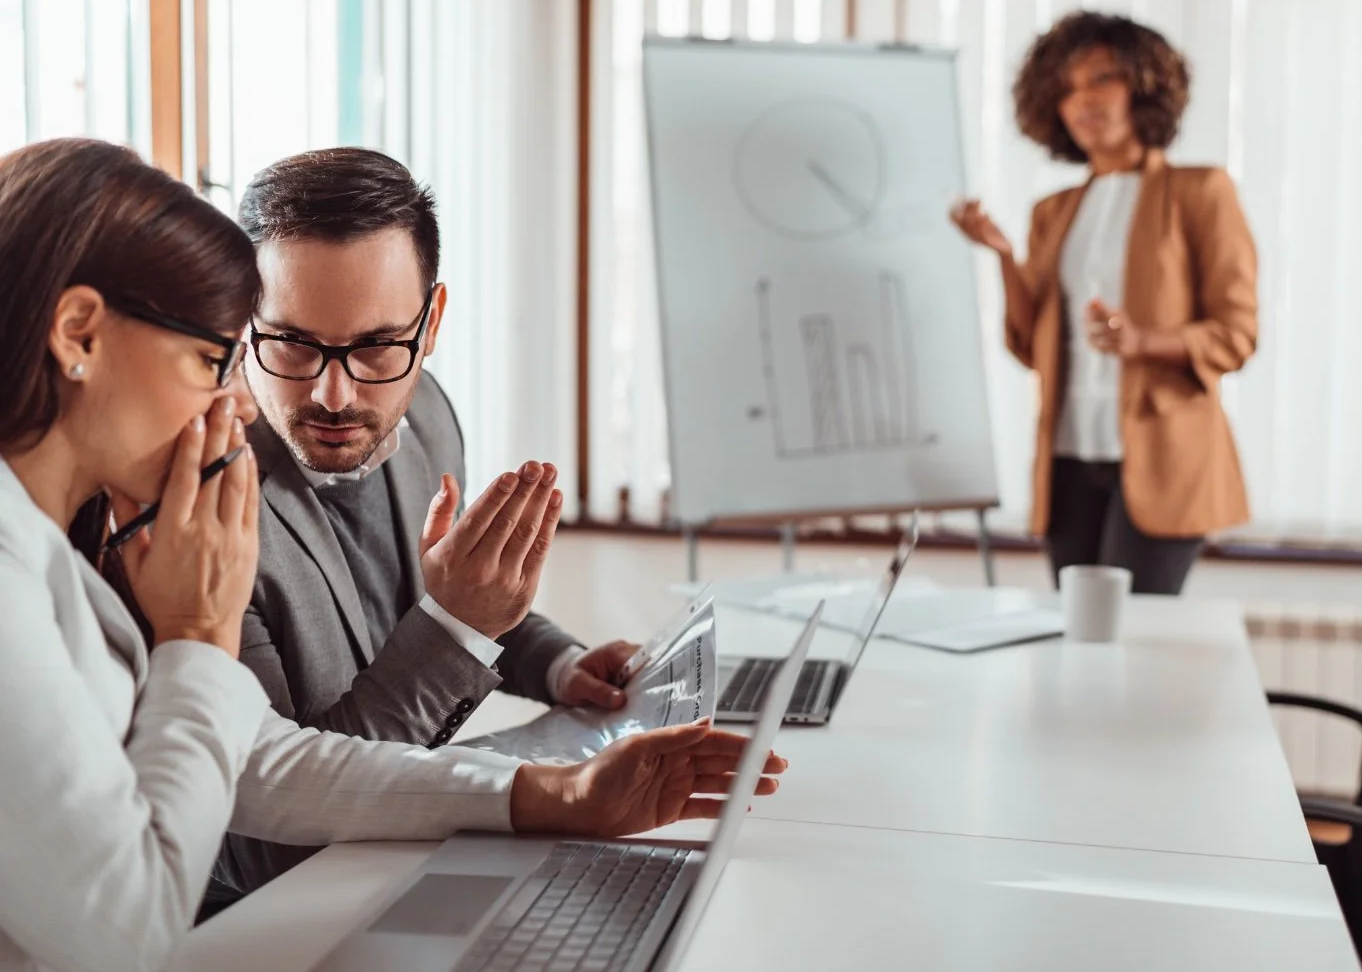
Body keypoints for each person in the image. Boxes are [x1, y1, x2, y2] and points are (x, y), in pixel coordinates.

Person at [0, 138, 783, 972]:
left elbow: (259, 755)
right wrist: (196, 630)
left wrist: (564, 795)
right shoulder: (154, 517)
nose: (232, 402)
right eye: (209, 357)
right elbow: (134, 925)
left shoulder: (41, 545)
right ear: (78, 333)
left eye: (375, 347)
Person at [208, 147, 639, 902]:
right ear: (243, 322)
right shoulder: (198, 499)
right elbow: (267, 841)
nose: (335, 394)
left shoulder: (428, 411)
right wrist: (457, 623)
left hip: (395, 859)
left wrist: (559, 665)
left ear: (430, 321)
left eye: (376, 345)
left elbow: (436, 600)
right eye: (294, 345)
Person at [950, 11, 1258, 595]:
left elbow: (1236, 334)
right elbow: (1029, 346)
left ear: (1144, 86)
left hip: (1164, 459)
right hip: (1068, 456)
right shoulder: (1053, 212)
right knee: (1079, 637)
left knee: (1134, 638)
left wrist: (1141, 341)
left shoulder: (1201, 192)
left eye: (1101, 80)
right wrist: (1004, 257)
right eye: (1066, 90)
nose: (1083, 101)